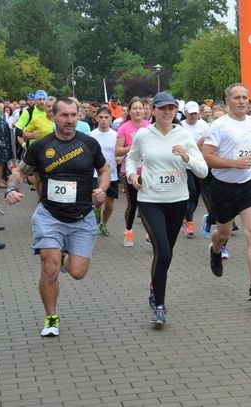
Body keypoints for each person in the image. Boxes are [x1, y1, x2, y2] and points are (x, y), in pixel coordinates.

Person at [4, 97, 110, 337]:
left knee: (77, 272)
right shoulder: (41, 146)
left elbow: (104, 171)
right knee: (49, 269)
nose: (70, 120)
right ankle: (51, 318)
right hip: (49, 216)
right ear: (53, 117)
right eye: (65, 115)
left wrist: (102, 188)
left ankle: (64, 259)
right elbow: (20, 172)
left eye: (74, 115)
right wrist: (11, 189)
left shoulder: (89, 144)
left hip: (82, 217)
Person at [126, 92, 208, 324]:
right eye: (162, 108)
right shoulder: (143, 135)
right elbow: (131, 159)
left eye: (171, 108)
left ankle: (154, 286)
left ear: (176, 111)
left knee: (165, 254)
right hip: (150, 201)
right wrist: (132, 174)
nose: (167, 112)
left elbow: (203, 171)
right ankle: (160, 305)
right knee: (163, 252)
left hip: (177, 201)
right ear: (153, 110)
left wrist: (186, 159)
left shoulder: (183, 135)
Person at [202, 83, 251, 301]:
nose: (242, 101)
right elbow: (207, 157)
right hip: (222, 187)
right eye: (237, 98)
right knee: (223, 233)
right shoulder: (219, 126)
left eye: (245, 98)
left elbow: (250, 148)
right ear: (228, 102)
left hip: (249, 185)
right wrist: (233, 163)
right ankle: (215, 249)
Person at [115, 97, 149, 247]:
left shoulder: (150, 126)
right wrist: (134, 146)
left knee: (149, 203)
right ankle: (128, 231)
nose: (138, 111)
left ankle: (150, 233)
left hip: (149, 171)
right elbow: (118, 150)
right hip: (130, 172)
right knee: (133, 204)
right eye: (134, 108)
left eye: (140, 108)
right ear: (129, 111)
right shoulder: (124, 128)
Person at [181, 101, 209, 237]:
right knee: (191, 192)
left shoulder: (204, 126)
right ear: (185, 113)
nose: (193, 116)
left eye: (195, 114)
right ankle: (189, 221)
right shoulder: (180, 126)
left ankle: (187, 218)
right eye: (190, 113)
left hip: (199, 164)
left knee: (197, 193)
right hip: (185, 164)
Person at [90, 107, 119, 236]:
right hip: (95, 173)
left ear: (111, 119)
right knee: (98, 198)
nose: (103, 120)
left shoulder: (116, 135)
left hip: (112, 173)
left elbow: (120, 151)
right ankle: (96, 209)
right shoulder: (91, 135)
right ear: (96, 118)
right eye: (101, 117)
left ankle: (104, 224)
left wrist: (120, 158)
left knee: (109, 202)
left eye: (106, 117)